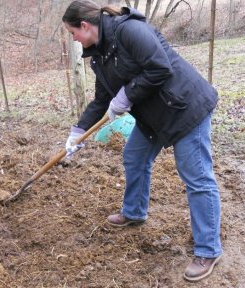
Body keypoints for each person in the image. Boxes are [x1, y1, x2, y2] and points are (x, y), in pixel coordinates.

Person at [62, 0, 222, 282]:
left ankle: (208, 249)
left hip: (185, 107)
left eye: (72, 32)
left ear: (84, 26)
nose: (73, 38)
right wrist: (78, 130)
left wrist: (126, 95)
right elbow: (102, 99)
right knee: (134, 156)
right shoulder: (99, 56)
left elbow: (160, 68)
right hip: (154, 117)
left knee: (196, 178)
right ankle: (134, 212)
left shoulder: (130, 31)